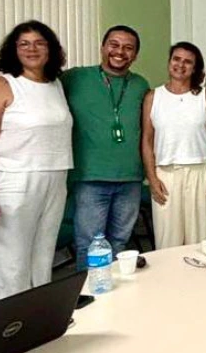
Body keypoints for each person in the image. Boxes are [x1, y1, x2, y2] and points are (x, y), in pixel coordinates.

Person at [0, 20, 73, 299]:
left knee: (42, 263)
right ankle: (10, 335)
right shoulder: (0, 86)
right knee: (12, 268)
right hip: (13, 183)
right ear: (13, 49)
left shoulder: (55, 85)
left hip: (54, 181)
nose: (32, 49)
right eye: (24, 43)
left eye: (40, 43)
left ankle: (39, 328)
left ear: (50, 49)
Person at [64, 26, 150, 267]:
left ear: (135, 55)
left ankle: (114, 301)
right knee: (89, 245)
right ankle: (91, 297)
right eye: (114, 44)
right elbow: (37, 85)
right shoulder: (75, 78)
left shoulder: (141, 85)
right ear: (103, 47)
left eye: (128, 47)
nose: (119, 51)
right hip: (91, 177)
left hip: (130, 178)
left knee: (120, 243)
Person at [141, 42, 206, 248]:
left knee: (201, 239)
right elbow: (147, 140)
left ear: (195, 68)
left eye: (188, 62)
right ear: (169, 63)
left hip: (201, 173)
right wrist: (152, 178)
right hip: (166, 175)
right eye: (176, 59)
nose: (181, 65)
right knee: (168, 240)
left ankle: (200, 279)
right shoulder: (153, 97)